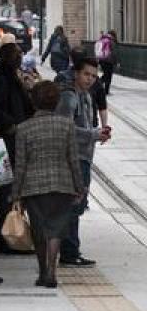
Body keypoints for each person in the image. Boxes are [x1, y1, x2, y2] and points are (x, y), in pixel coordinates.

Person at [13, 81, 84, 288]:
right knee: (56, 230)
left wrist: (16, 194)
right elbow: (73, 159)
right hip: (62, 185)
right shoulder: (67, 125)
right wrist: (79, 187)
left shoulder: (24, 128)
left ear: (34, 102)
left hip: (34, 187)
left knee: (39, 230)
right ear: (56, 102)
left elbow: (20, 164)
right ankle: (52, 272)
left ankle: (42, 272)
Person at [55, 57, 110, 267]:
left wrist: (97, 134)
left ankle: (72, 249)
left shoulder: (85, 95)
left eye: (94, 76)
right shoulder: (70, 97)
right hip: (74, 158)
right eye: (86, 74)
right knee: (73, 205)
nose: (90, 79)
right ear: (76, 73)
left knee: (77, 206)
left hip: (83, 156)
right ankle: (69, 252)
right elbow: (64, 129)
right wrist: (94, 134)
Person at [0, 42, 32, 263]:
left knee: (8, 190)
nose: (21, 57)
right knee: (7, 189)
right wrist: (9, 124)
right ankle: (5, 237)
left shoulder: (7, 74)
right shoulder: (1, 77)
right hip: (5, 141)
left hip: (11, 137)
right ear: (9, 56)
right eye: (18, 53)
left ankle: (5, 234)